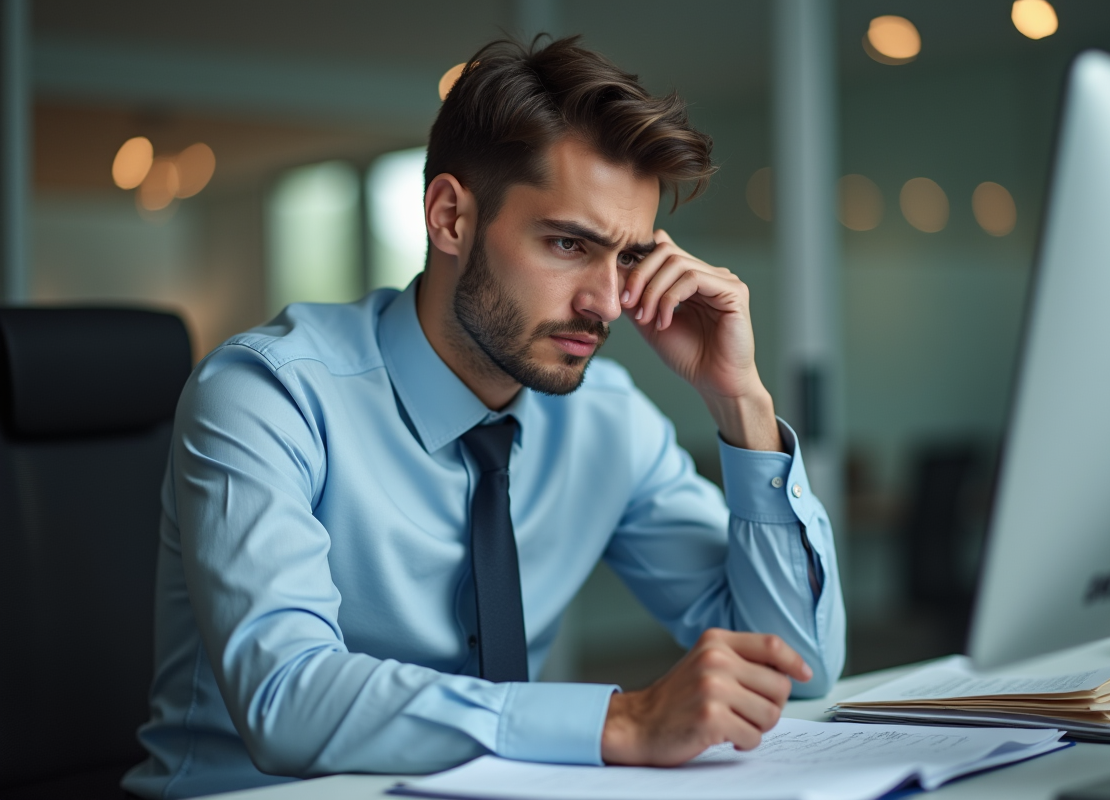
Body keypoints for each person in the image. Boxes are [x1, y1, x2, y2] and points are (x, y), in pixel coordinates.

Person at [123, 35, 845, 800]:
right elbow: (285, 699)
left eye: (628, 258)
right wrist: (618, 722)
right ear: (449, 218)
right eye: (569, 243)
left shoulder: (606, 421)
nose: (605, 303)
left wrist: (741, 399)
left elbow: (798, 667)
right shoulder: (267, 395)